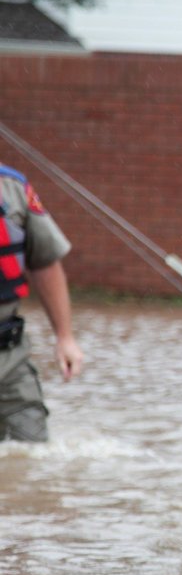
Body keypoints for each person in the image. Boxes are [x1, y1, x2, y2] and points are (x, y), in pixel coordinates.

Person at [0, 162, 83, 442]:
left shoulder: (13, 187)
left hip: (9, 355)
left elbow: (45, 262)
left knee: (32, 451)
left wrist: (65, 337)